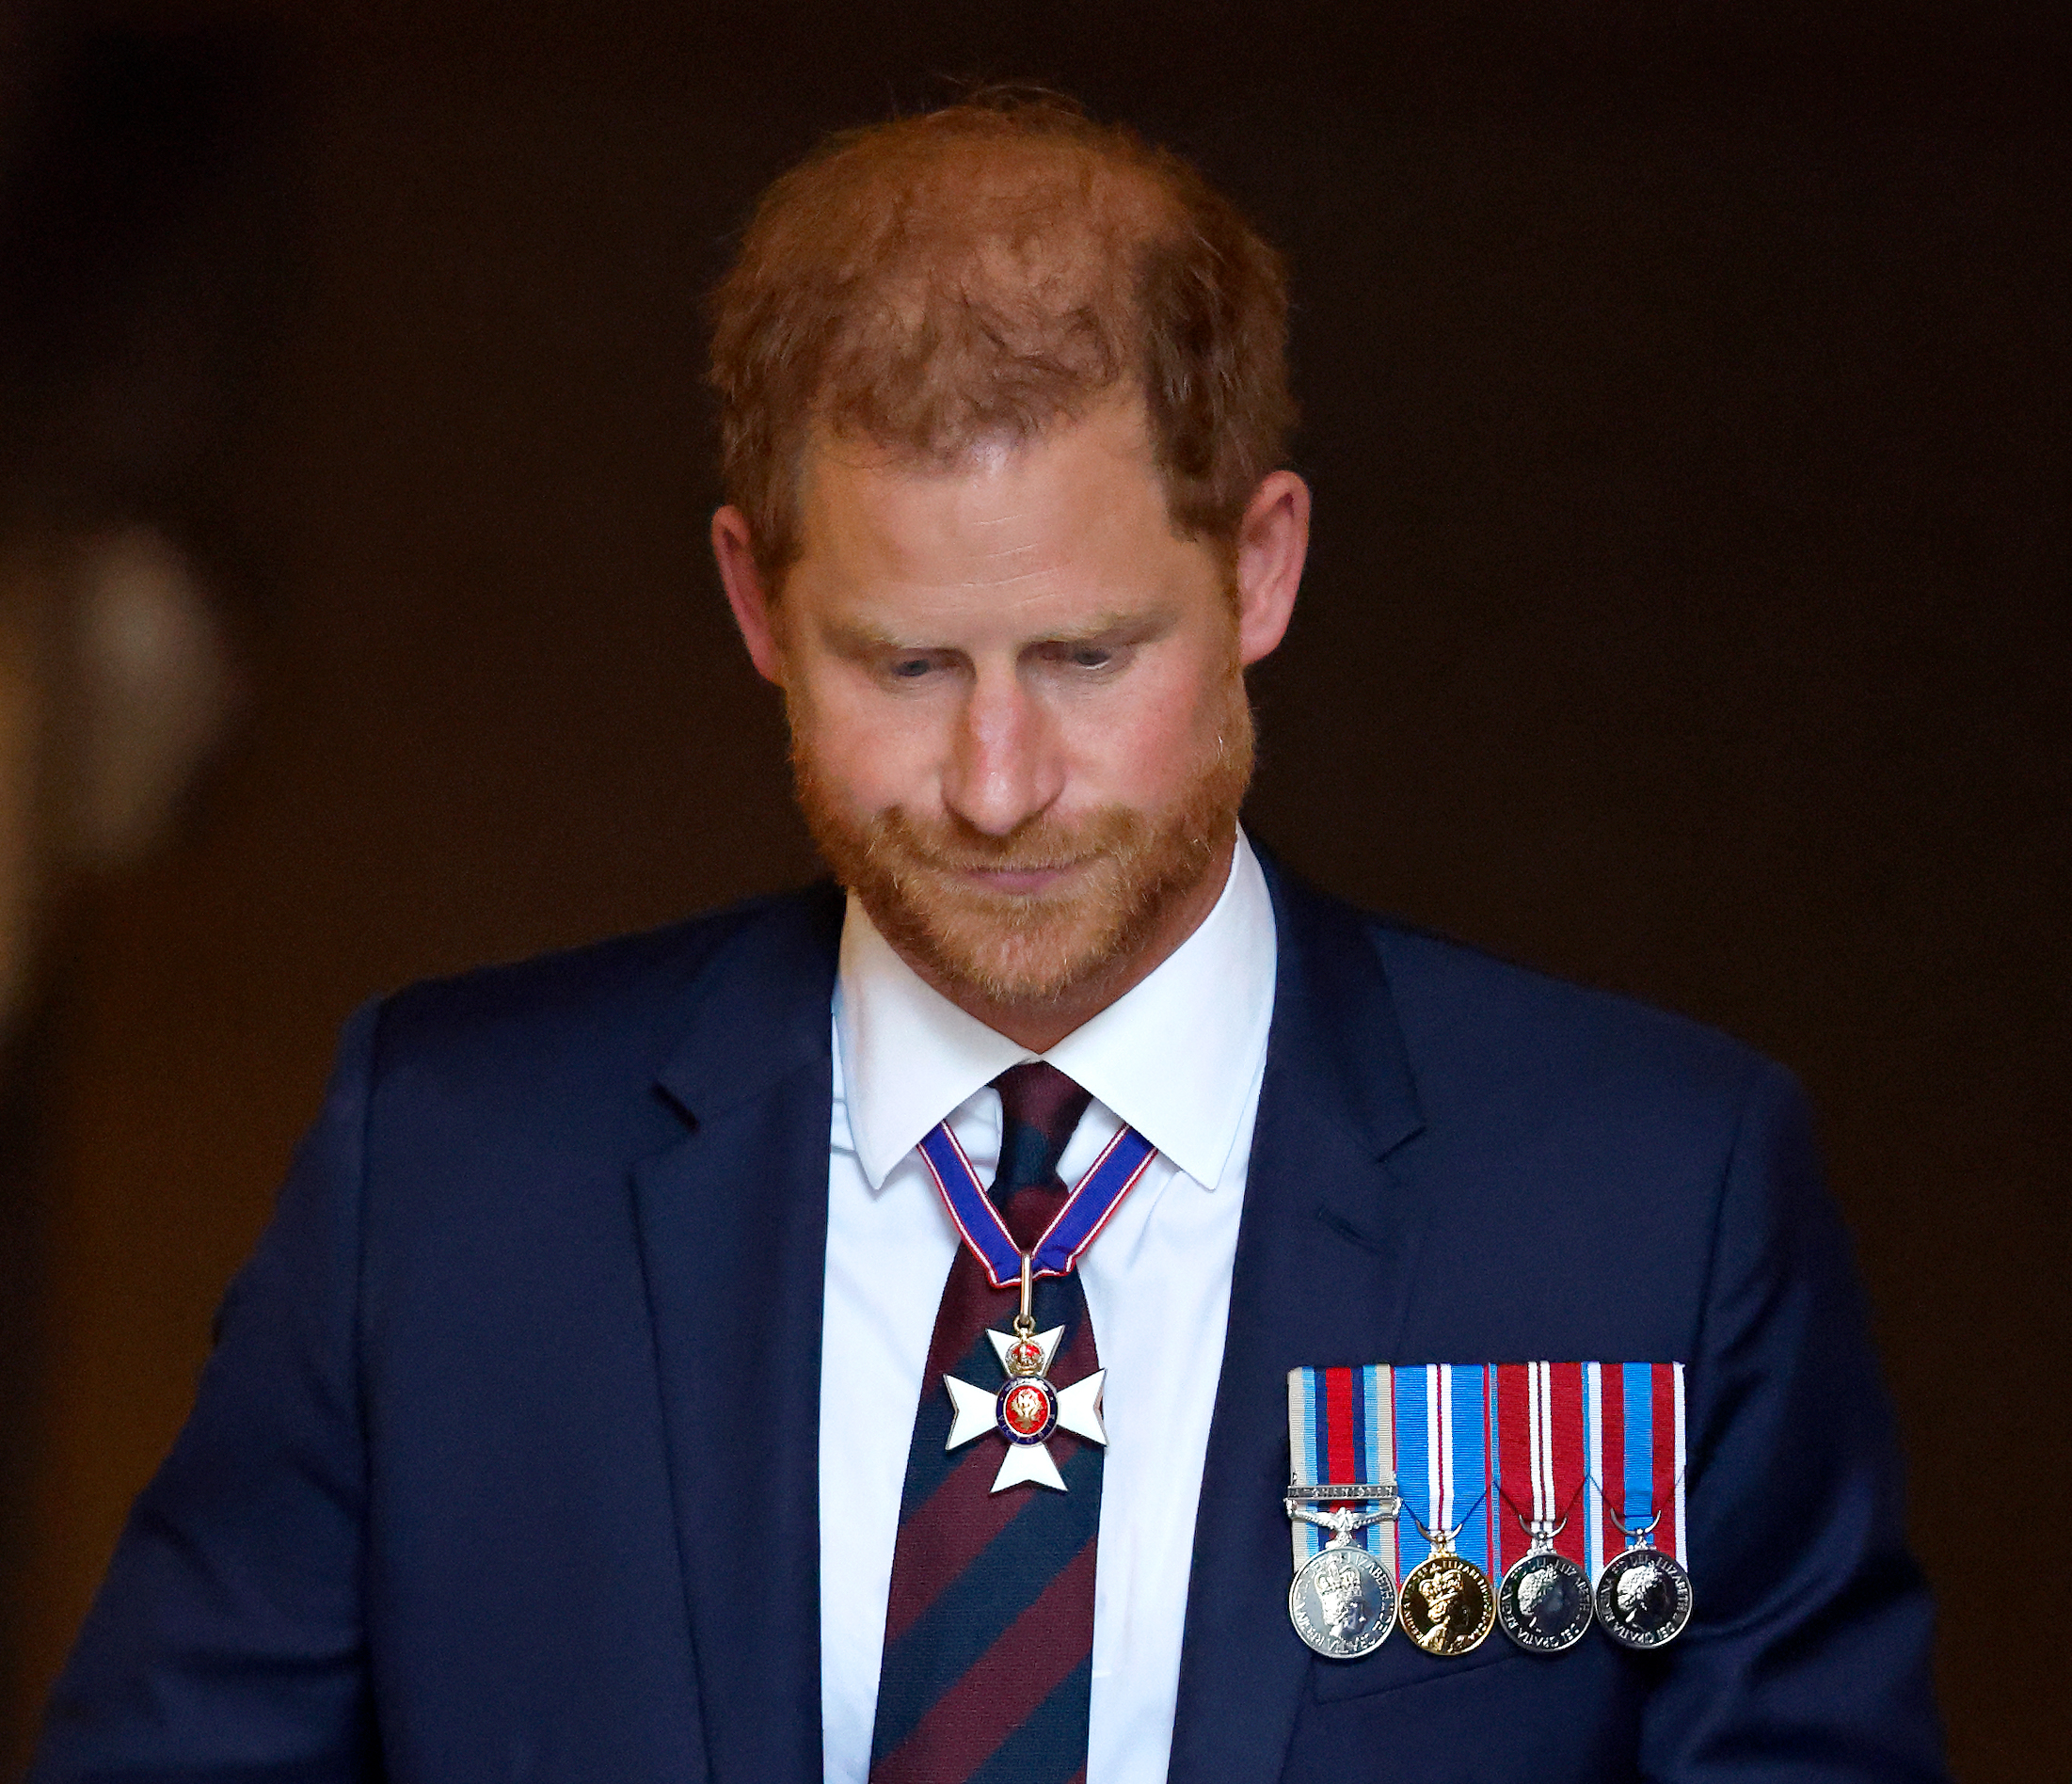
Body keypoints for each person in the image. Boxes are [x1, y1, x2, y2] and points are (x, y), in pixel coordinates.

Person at [32, 93, 1947, 1784]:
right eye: (909, 662)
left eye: (1089, 657)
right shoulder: (445, 1179)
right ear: (756, 602)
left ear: (1262, 566)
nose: (999, 780)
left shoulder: (1649, 1198)